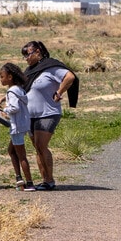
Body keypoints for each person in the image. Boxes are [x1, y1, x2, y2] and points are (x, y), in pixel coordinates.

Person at [21, 41, 79, 191]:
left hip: (48, 113)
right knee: (37, 147)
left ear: (38, 51)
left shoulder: (51, 67)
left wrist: (59, 92)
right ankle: (45, 180)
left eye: (28, 54)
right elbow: (20, 89)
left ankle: (50, 180)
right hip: (31, 115)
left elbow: (70, 77)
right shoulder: (30, 71)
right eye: (24, 55)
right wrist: (3, 99)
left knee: (41, 145)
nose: (26, 58)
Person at [0, 62, 36, 191]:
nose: (1, 80)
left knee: (21, 155)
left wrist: (5, 111)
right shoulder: (19, 88)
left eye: (2, 77)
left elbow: (15, 107)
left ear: (10, 77)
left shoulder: (11, 91)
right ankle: (19, 178)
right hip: (23, 124)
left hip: (17, 126)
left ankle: (29, 183)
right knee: (11, 150)